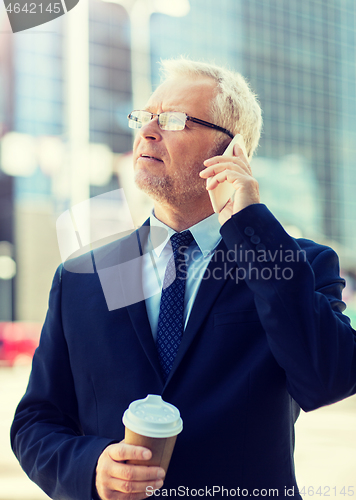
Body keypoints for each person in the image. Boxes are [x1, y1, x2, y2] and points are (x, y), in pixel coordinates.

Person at [11, 58, 356, 500]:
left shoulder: (292, 264)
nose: (148, 132)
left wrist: (253, 225)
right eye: (145, 118)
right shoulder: (85, 277)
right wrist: (93, 469)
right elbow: (36, 421)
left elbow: (328, 378)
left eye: (173, 120)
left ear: (233, 152)